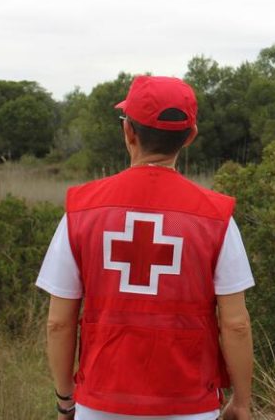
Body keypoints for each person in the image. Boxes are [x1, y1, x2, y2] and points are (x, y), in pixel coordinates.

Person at [36, 76, 254, 420]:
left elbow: (58, 323)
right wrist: (241, 403)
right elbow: (236, 324)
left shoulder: (81, 210)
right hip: (190, 403)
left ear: (129, 133)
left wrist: (66, 401)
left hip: (100, 401)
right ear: (191, 137)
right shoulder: (217, 217)